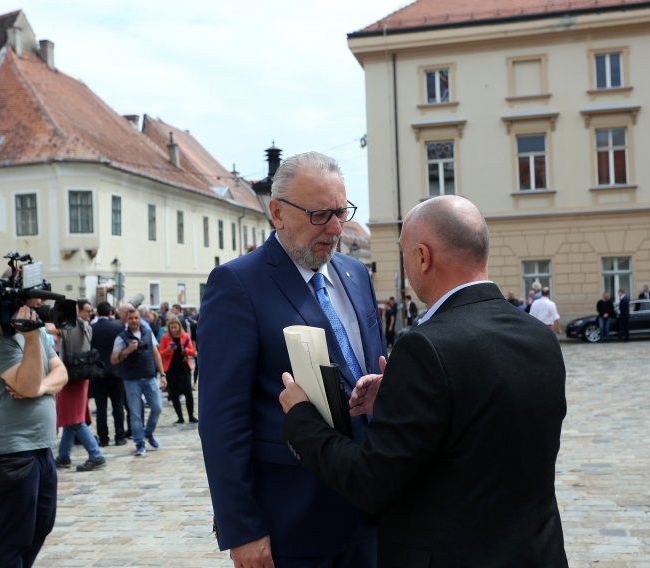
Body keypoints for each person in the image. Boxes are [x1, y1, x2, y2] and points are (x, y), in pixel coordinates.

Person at [279, 195, 568, 566]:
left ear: (422, 257)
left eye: (404, 254)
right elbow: (482, 422)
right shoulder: (538, 335)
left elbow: (370, 481)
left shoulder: (426, 346)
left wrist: (301, 417)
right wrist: (399, 393)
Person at [199, 151, 386, 567]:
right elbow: (222, 419)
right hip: (294, 518)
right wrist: (243, 528)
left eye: (341, 212)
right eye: (321, 215)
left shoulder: (356, 276)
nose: (336, 228)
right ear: (278, 212)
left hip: (374, 511)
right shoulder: (237, 285)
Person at [0, 301, 68, 565]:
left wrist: (40, 388)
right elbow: (26, 384)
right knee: (14, 536)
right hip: (11, 453)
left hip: (42, 447)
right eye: (29, 305)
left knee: (42, 524)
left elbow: (61, 373)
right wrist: (29, 341)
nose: (35, 311)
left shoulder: (36, 333)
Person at [55, 300, 106, 472]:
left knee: (75, 420)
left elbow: (53, 329)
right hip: (82, 374)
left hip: (71, 376)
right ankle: (63, 456)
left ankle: (95, 454)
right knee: (71, 418)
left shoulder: (71, 325)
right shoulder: (85, 325)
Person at [111, 307, 167, 457]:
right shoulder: (121, 337)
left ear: (140, 318)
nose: (134, 321)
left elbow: (155, 354)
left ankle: (147, 433)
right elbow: (114, 359)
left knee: (157, 407)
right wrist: (127, 351)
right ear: (126, 320)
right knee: (135, 414)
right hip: (131, 380)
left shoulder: (148, 333)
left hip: (149, 378)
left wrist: (162, 374)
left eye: (136, 318)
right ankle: (139, 443)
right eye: (131, 318)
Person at [90, 301, 128, 447]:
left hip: (98, 372)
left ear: (98, 313)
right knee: (118, 405)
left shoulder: (91, 328)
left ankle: (104, 438)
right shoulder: (118, 326)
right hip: (116, 370)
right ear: (111, 312)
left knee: (101, 408)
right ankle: (120, 436)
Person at [158, 316, 197, 423]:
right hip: (171, 368)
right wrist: (169, 349)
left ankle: (191, 416)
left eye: (175, 327)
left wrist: (186, 350)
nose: (174, 330)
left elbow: (192, 351)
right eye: (171, 328)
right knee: (174, 394)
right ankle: (180, 417)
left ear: (179, 327)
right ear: (168, 328)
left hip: (184, 367)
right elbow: (160, 353)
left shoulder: (185, 336)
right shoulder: (165, 337)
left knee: (188, 392)